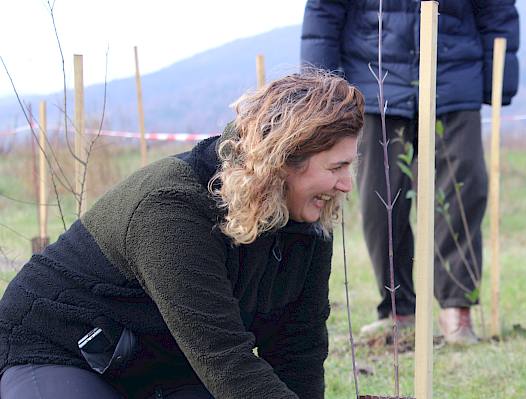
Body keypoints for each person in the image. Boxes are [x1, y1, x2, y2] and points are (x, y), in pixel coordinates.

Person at [0, 71, 364, 399]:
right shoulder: (172, 209)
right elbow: (224, 359)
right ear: (283, 161)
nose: (347, 184)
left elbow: (297, 347)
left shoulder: (307, 219)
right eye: (337, 167)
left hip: (161, 364)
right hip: (60, 352)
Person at [301, 0, 519, 344]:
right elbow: (325, 10)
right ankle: (397, 310)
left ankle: (456, 309)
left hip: (454, 76)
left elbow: (496, 8)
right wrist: (321, 87)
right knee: (380, 198)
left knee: (462, 193)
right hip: (374, 80)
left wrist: (499, 79)